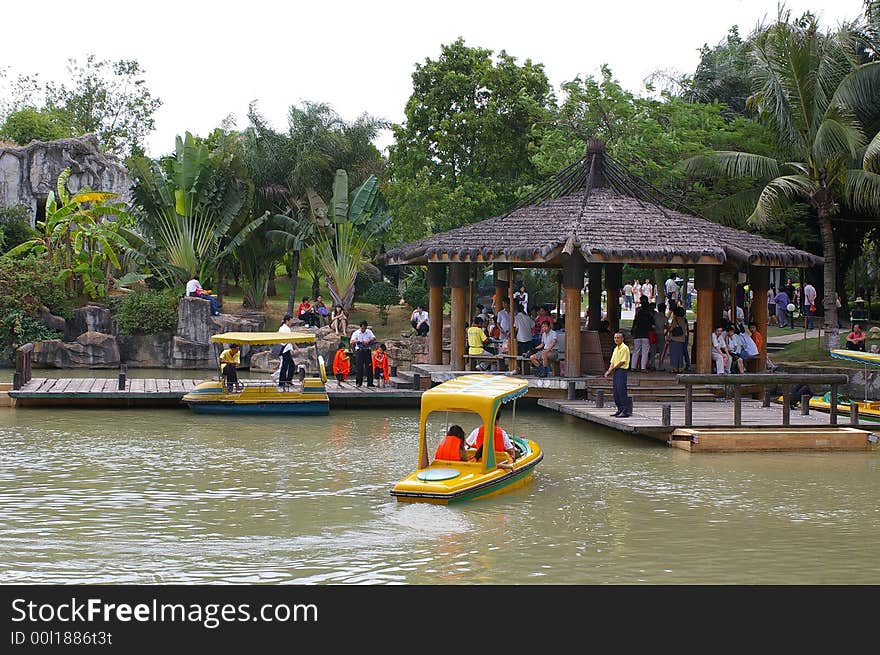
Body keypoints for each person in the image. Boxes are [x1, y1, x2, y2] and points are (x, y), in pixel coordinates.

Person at [605, 332, 631, 418]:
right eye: (615, 338)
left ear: (622, 339)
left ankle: (625, 411)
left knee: (622, 390)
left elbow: (622, 362)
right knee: (616, 391)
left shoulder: (624, 348)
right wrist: (609, 370)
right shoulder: (616, 348)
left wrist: (611, 370)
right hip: (616, 371)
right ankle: (619, 409)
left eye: (618, 338)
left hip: (622, 370)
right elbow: (612, 361)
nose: (616, 339)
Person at [277, 314, 302, 388]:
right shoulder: (285, 329)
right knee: (287, 366)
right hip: (285, 350)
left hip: (285, 349)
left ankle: (286, 381)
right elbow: (291, 340)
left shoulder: (282, 328)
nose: (292, 322)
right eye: (291, 321)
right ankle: (283, 382)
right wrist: (297, 349)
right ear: (287, 321)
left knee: (289, 365)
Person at [630, 297, 654, 371]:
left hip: (637, 334)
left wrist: (632, 330)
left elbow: (635, 322)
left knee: (636, 351)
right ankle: (643, 368)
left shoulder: (638, 313)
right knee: (645, 352)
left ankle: (633, 367)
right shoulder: (649, 315)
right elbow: (652, 325)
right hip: (646, 335)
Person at [350, 320, 376, 387]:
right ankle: (359, 382)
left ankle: (370, 383)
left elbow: (374, 337)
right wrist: (358, 341)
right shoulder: (356, 333)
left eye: (365, 328)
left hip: (367, 350)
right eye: (363, 328)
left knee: (369, 367)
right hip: (359, 351)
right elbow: (351, 342)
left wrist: (368, 341)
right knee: (359, 367)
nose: (364, 329)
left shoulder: (369, 331)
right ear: (360, 327)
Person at [667, 305, 688, 373]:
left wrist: (668, 329)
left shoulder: (675, 320)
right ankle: (680, 368)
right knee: (680, 354)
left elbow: (671, 329)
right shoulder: (684, 320)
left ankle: (674, 368)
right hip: (682, 339)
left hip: (674, 339)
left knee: (674, 354)